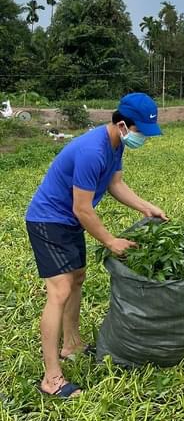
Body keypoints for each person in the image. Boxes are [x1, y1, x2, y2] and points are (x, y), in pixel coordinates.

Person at [25, 92, 167, 398]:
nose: (143, 137)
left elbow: (115, 183)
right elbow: (83, 209)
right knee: (59, 290)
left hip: (68, 221)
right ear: (122, 125)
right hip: (49, 221)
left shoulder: (115, 146)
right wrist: (110, 240)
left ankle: (72, 344)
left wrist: (145, 207)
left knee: (77, 278)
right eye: (141, 130)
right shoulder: (93, 150)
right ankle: (51, 379)